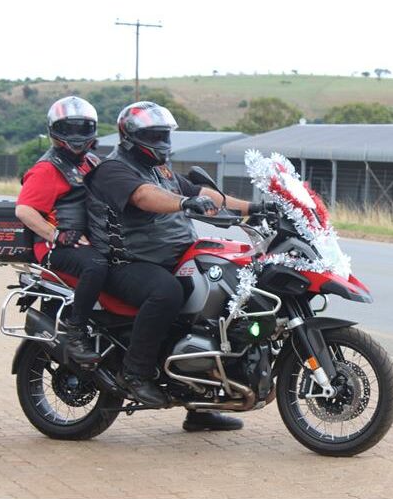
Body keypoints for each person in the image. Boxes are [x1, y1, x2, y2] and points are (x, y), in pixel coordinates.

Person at [85, 101, 270, 431]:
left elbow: (206, 194)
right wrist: (185, 203)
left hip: (170, 257)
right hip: (127, 263)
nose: (161, 141)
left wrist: (256, 207)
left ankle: (204, 402)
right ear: (130, 137)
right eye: (153, 135)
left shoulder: (162, 170)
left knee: (219, 302)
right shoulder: (114, 170)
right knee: (166, 292)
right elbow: (144, 197)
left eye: (164, 134)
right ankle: (134, 373)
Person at [16, 96, 107, 366]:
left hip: (83, 240)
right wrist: (56, 235)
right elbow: (24, 210)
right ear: (56, 131)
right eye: (69, 129)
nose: (77, 136)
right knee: (97, 266)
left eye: (83, 128)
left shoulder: (90, 161)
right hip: (54, 247)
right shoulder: (46, 168)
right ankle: (74, 330)